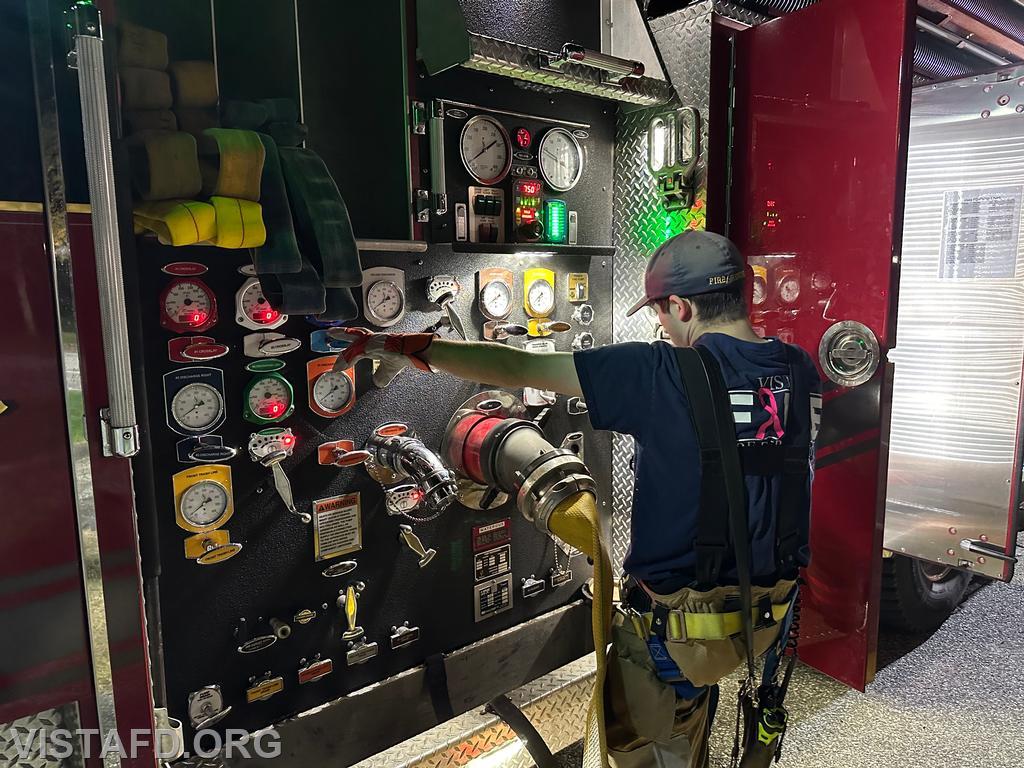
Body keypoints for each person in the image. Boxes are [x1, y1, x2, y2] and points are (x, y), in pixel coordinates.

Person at [332, 231, 820, 768]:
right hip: (764, 617)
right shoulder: (797, 368)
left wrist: (407, 347)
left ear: (680, 305)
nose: (660, 326)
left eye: (660, 313)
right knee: (694, 722)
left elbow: (517, 368)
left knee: (645, 749)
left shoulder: (660, 372)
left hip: (677, 630)